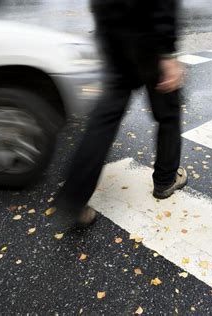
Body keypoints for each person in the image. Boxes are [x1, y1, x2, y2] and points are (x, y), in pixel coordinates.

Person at [55, 0, 186, 227]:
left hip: (113, 31)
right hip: (147, 34)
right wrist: (167, 52)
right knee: (168, 113)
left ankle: (74, 197)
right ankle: (165, 180)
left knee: (104, 120)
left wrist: (104, 30)